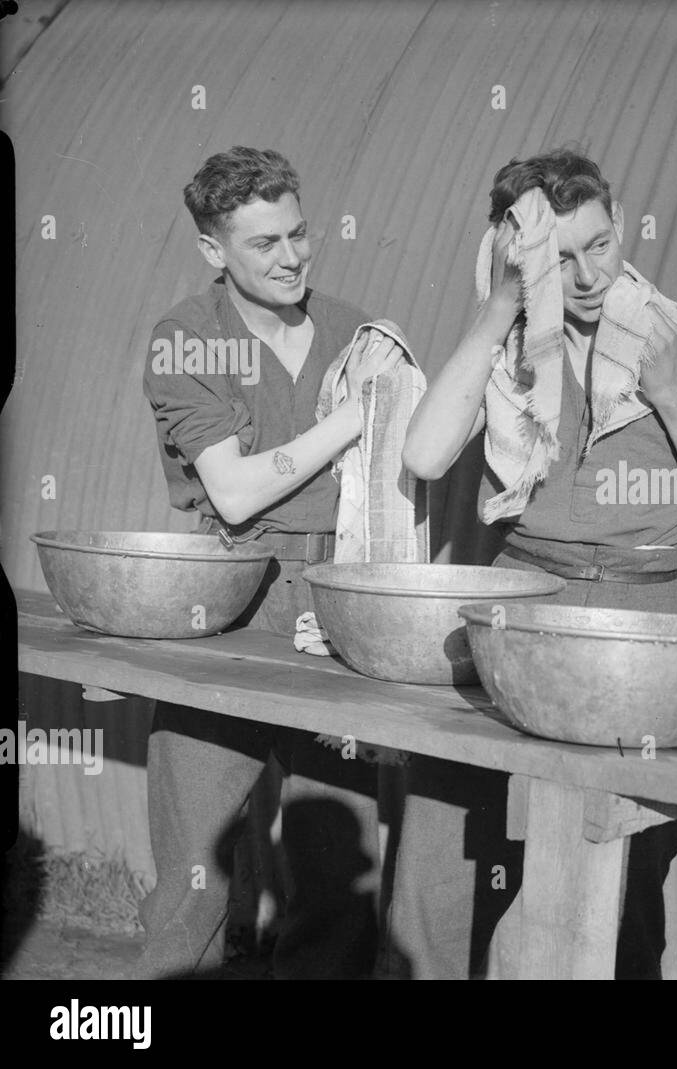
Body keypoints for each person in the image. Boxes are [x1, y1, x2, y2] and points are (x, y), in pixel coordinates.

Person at [398, 148, 677, 978]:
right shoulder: (510, 342)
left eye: (599, 244)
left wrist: (671, 394)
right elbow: (425, 455)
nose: (586, 275)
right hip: (524, 607)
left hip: (642, 625)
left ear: (623, 223)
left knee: (618, 865)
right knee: (449, 848)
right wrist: (499, 307)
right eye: (557, 257)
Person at [137, 146, 403, 978]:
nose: (291, 258)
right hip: (226, 597)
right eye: (264, 244)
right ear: (214, 250)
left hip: (337, 595)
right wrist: (354, 417)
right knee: (194, 876)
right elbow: (238, 493)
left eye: (298, 235)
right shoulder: (189, 339)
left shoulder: (353, 330)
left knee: (333, 877)